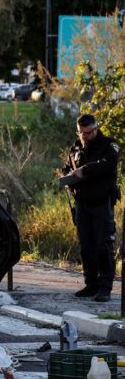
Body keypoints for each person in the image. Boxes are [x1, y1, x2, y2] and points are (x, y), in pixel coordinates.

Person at [63, 114, 120, 302]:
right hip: (82, 204)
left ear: (95, 129)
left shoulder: (108, 146)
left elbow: (108, 165)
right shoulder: (76, 147)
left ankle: (105, 287)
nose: (84, 136)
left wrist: (84, 170)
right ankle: (91, 283)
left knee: (103, 246)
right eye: (81, 133)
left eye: (88, 133)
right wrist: (67, 177)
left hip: (101, 204)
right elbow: (67, 167)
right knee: (86, 246)